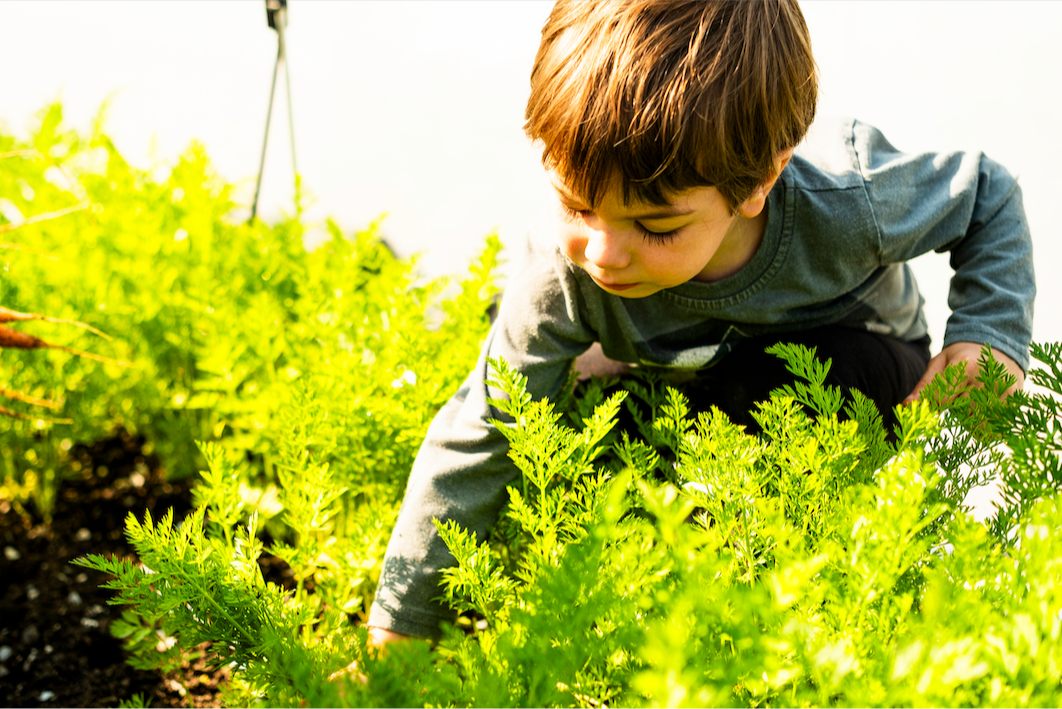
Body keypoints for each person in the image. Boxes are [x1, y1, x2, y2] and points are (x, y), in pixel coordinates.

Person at [362, 0, 1034, 648]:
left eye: (654, 226)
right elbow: (484, 425)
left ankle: (760, 588)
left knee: (780, 386)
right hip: (680, 374)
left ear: (757, 184)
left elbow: (987, 195)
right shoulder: (565, 270)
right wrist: (397, 629)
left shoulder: (848, 200)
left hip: (848, 367)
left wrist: (989, 337)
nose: (602, 252)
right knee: (552, 397)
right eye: (576, 205)